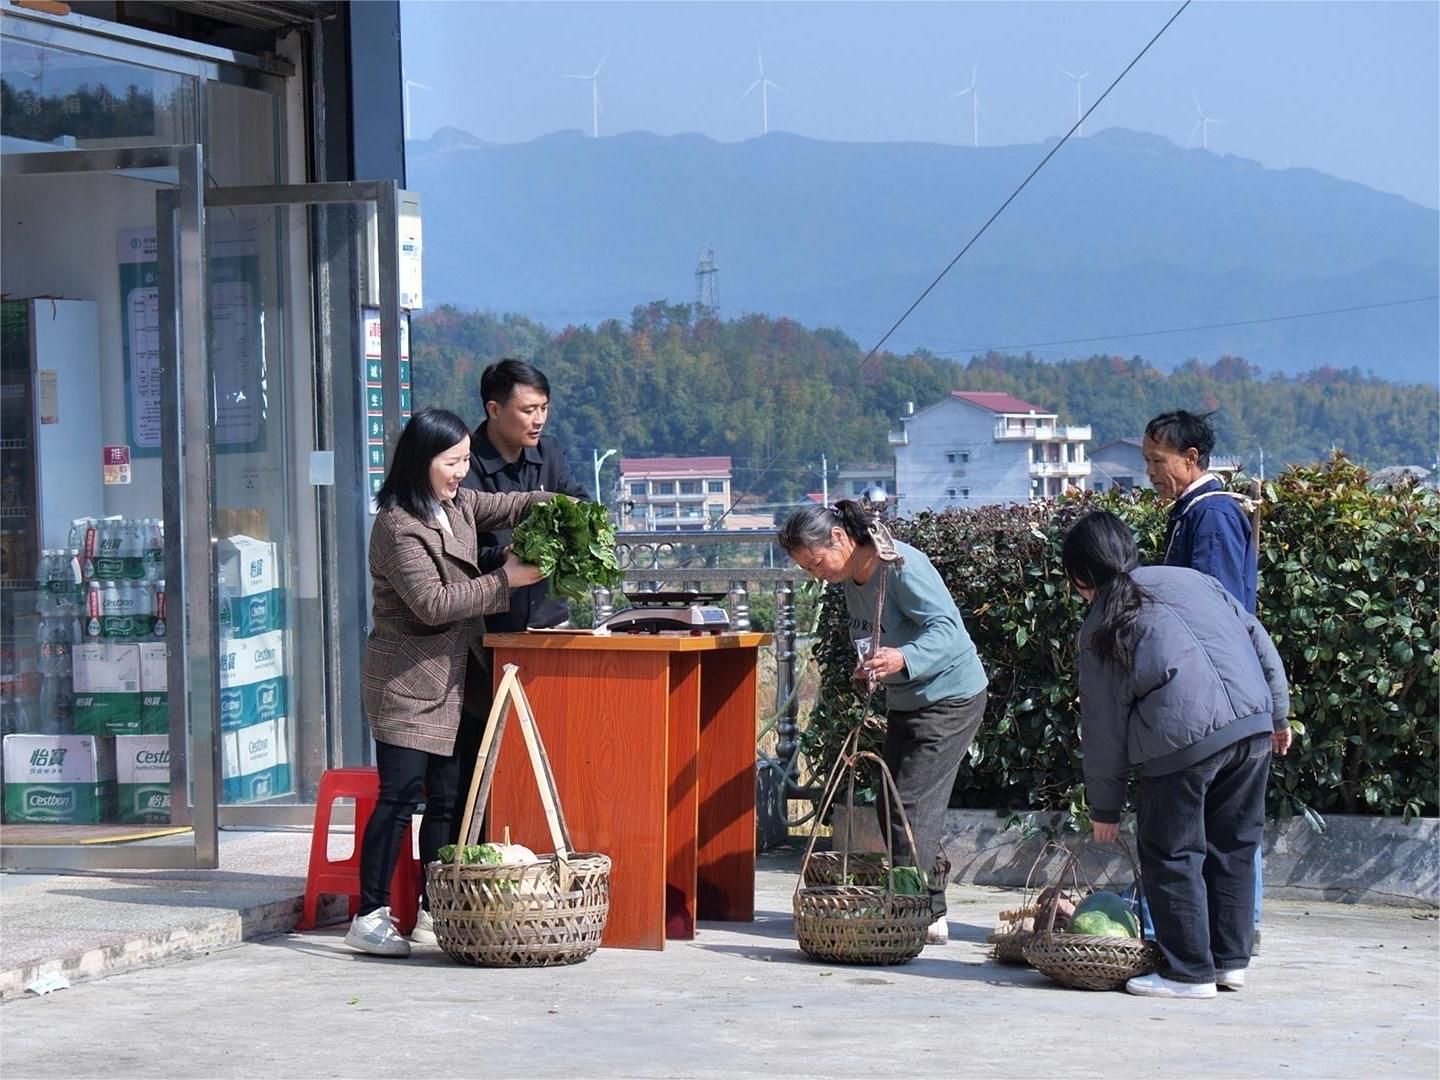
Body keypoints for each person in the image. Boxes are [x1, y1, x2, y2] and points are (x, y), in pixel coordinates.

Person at [1063, 511, 1291, 999]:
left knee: (1171, 852)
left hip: (1183, 741)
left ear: (1080, 576)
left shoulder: (1102, 622)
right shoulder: (1191, 580)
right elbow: (1260, 641)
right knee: (1233, 847)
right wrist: (1278, 715)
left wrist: (1104, 809)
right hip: (1252, 725)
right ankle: (1229, 963)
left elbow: (1103, 727)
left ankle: (1187, 973)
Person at [346, 407, 548, 958]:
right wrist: (507, 578)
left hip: (458, 682)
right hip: (407, 682)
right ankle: (369, 915)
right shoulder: (397, 525)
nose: (461, 472)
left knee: (449, 800)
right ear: (421, 461)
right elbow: (433, 604)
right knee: (400, 796)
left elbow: (508, 504)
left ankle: (435, 912)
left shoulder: (456, 504)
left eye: (465, 460)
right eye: (452, 462)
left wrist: (558, 504)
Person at [778, 500, 988, 945]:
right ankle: (924, 898)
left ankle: (921, 911)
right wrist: (871, 667)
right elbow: (874, 635)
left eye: (816, 562)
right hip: (907, 699)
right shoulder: (851, 578)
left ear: (839, 538)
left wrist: (902, 658)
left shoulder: (901, 566)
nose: (817, 575)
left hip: (951, 697)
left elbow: (948, 631)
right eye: (807, 569)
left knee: (908, 804)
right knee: (891, 804)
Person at [1142, 408, 1266, 944]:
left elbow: (1214, 609)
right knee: (1229, 826)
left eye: (1158, 461)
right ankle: (1234, 935)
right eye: (1147, 461)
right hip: (1228, 686)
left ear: (1191, 458)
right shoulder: (1195, 512)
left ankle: (1222, 934)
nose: (1150, 472)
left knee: (1219, 825)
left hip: (1214, 690)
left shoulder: (1210, 516)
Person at [460, 358, 590, 633]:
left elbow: (583, 509)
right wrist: (504, 555)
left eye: (544, 408)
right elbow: (458, 553)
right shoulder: (463, 465)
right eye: (529, 410)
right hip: (489, 627)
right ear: (494, 409)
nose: (539, 419)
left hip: (550, 623)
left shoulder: (550, 453)